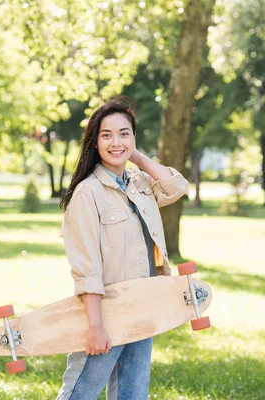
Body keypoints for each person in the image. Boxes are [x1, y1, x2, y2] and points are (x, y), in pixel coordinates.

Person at [56, 96, 188, 400]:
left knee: (132, 395)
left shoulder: (138, 182)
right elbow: (87, 269)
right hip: (106, 314)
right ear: (94, 143)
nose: (115, 142)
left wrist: (135, 156)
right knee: (80, 393)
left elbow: (177, 187)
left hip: (143, 307)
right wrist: (95, 327)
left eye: (124, 133)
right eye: (107, 135)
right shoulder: (87, 194)